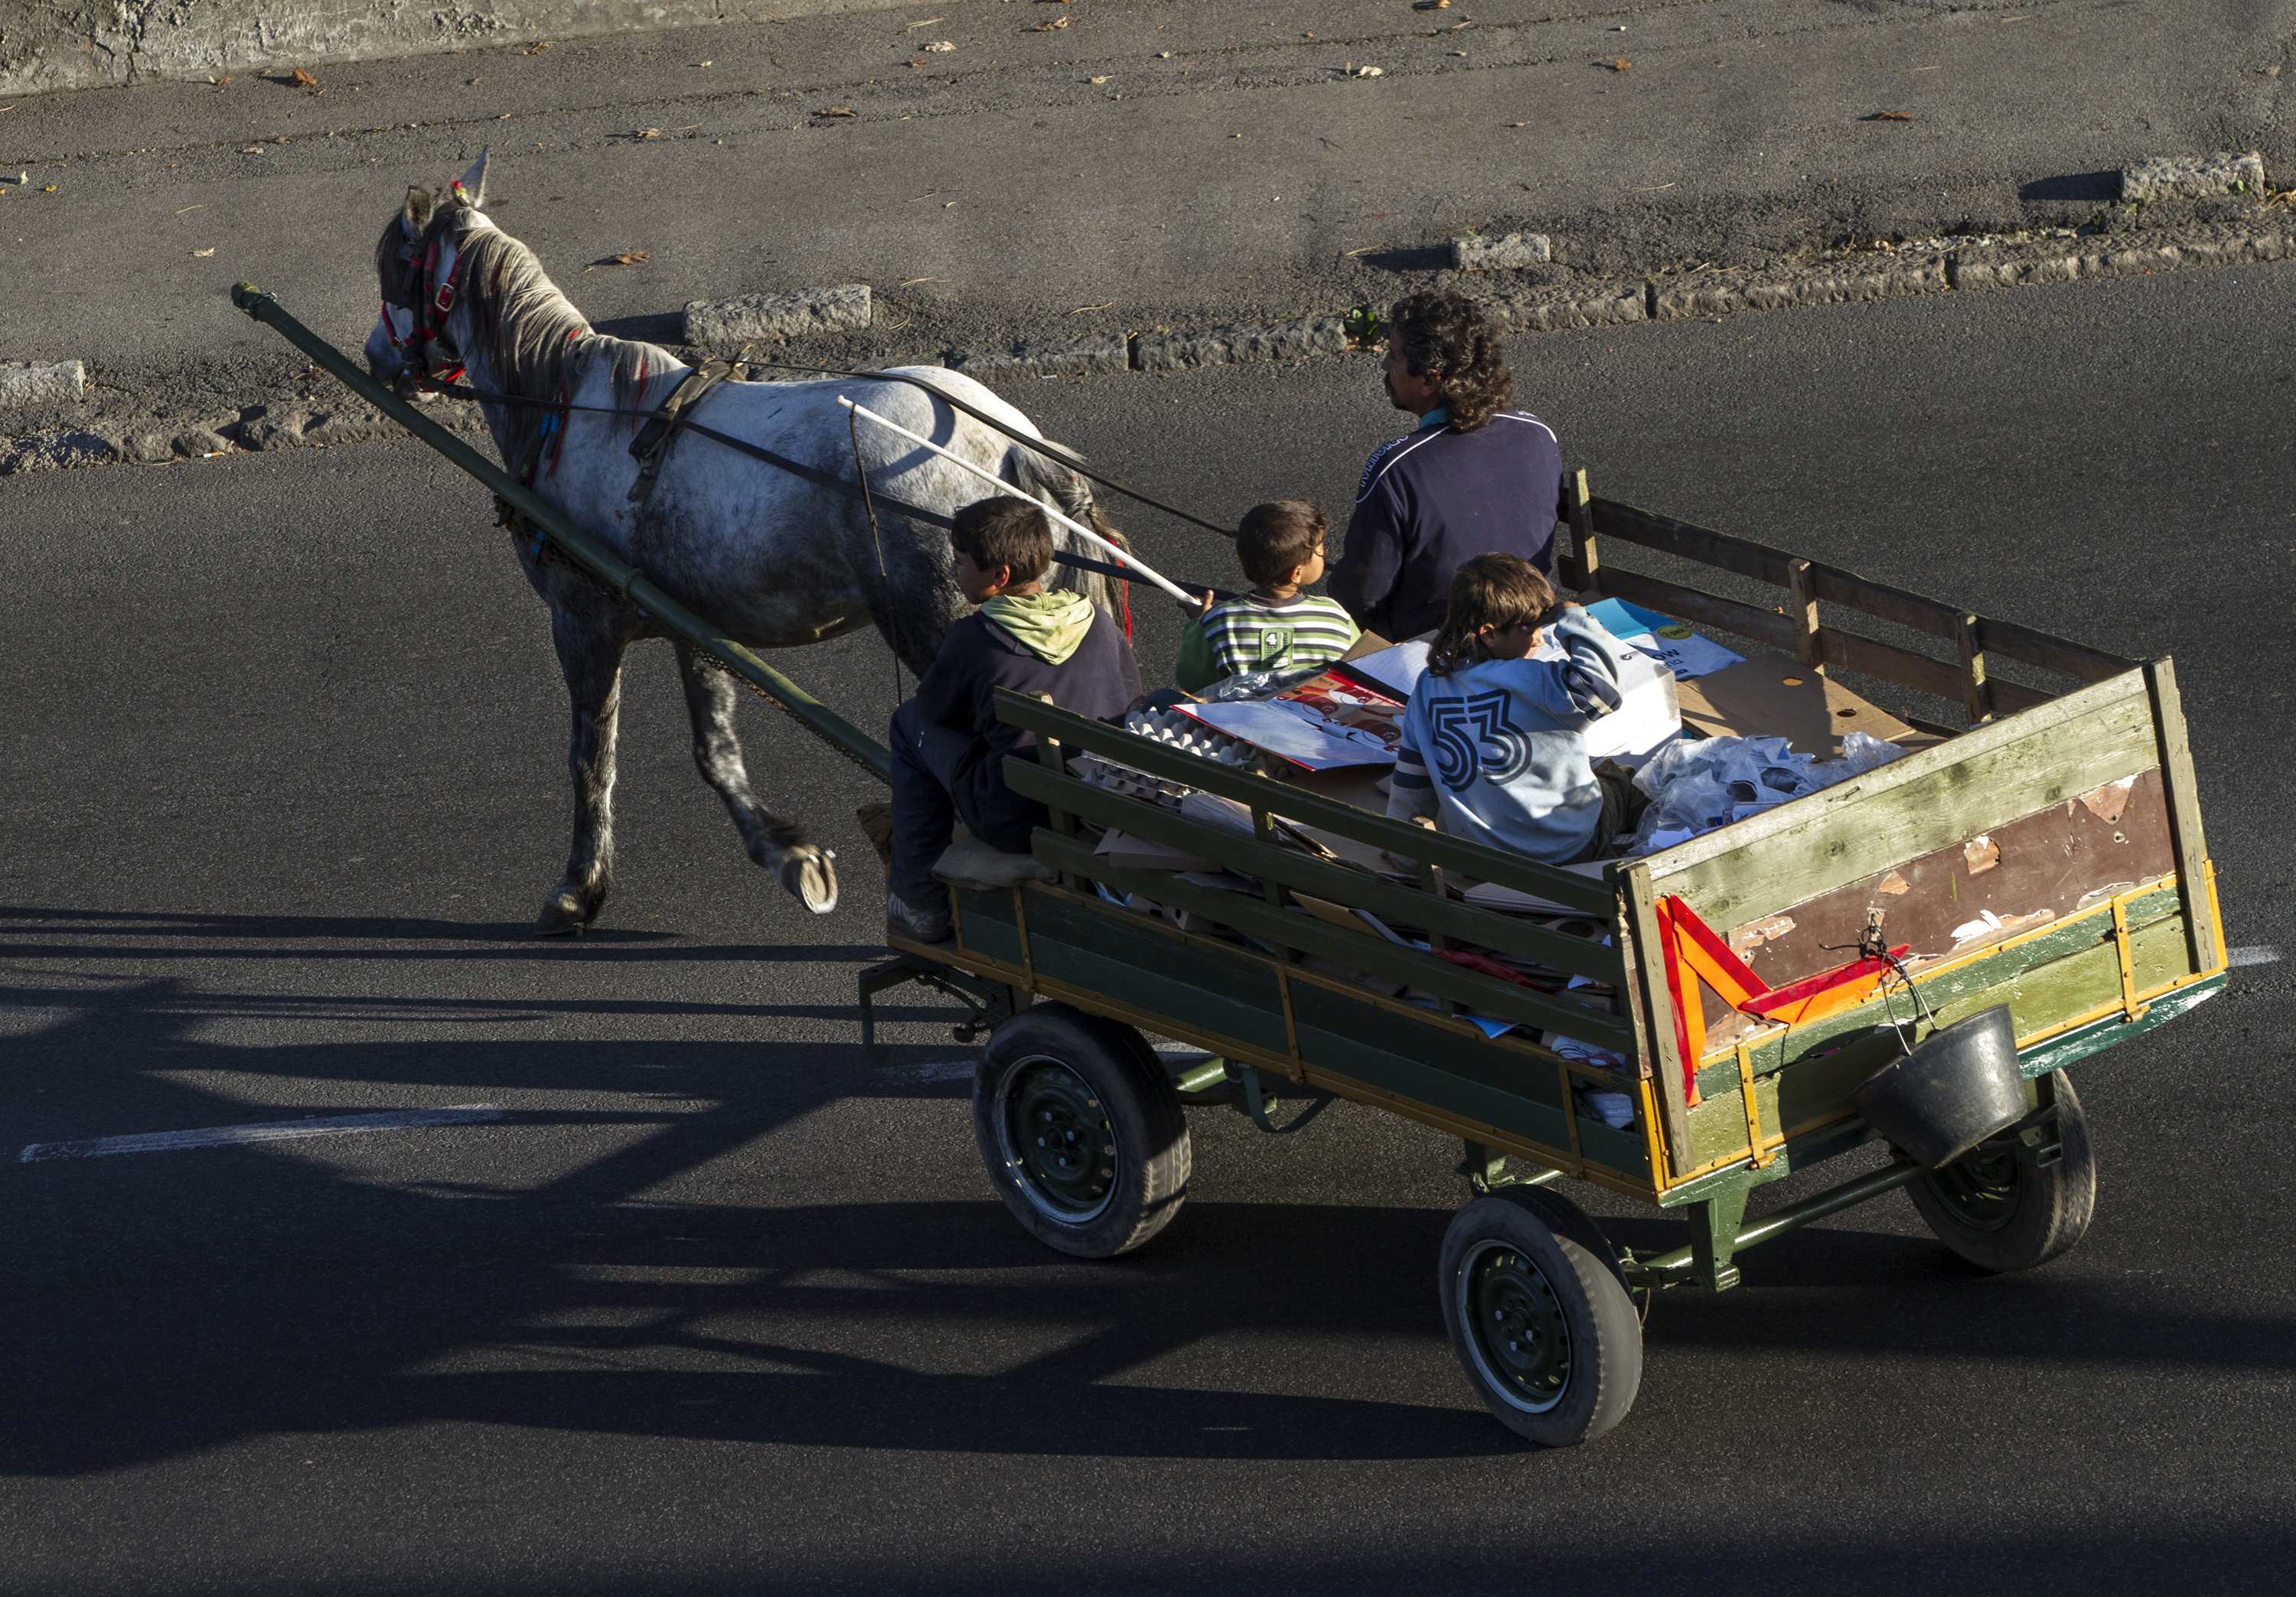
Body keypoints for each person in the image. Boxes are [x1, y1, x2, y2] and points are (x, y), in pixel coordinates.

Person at [885, 496, 1142, 942]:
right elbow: (1131, 697)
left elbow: (936, 710)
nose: (954, 572)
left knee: (908, 723)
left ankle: (919, 900)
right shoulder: (1098, 621)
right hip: (1099, 799)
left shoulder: (974, 638)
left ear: (998, 576)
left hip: (1014, 817)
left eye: (961, 563)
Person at [1328, 291, 1571, 641]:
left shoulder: (1397, 467)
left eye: (1394, 357)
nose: (1385, 366)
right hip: (1530, 627)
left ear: (1430, 378)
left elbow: (1364, 593)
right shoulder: (1538, 434)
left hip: (1437, 645)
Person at [1386, 553, 1631, 865]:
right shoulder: (1538, 682)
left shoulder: (1428, 685)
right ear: (1489, 633)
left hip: (1483, 859)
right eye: (1530, 629)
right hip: (1567, 848)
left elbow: (1412, 779)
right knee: (1622, 782)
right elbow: (1604, 692)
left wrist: (1402, 856)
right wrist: (1575, 618)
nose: (1540, 640)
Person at [1173, 499, 1361, 693]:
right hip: (1314, 716)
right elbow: (1363, 667)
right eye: (1320, 552)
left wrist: (1200, 623)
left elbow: (1191, 680)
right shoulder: (1334, 617)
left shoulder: (1218, 622)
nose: (1325, 554)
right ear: (1296, 573)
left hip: (1240, 720)